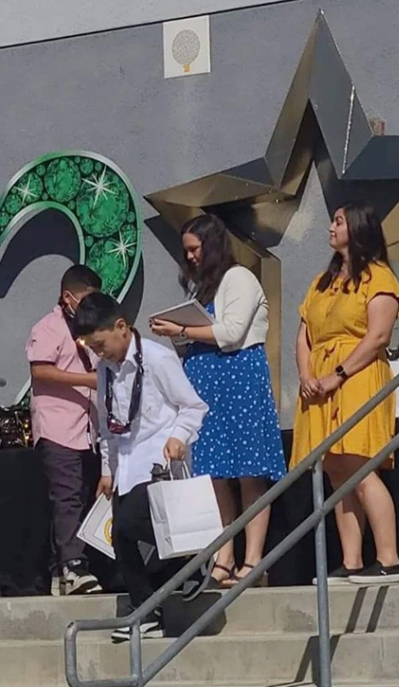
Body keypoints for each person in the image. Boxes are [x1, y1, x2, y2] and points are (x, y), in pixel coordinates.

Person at [149, 214, 285, 587]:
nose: (190, 257)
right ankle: (224, 555)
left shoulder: (239, 278)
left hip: (239, 378)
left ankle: (253, 559)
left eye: (195, 249)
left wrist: (182, 329)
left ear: (211, 246)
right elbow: (198, 336)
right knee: (217, 475)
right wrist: (176, 334)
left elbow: (231, 331)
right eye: (186, 251)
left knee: (248, 471)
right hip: (208, 383)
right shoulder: (200, 291)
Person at [73, 292, 207, 641]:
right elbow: (107, 424)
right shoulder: (105, 370)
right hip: (126, 465)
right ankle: (147, 610)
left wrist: (178, 436)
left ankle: (192, 558)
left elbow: (193, 406)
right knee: (119, 536)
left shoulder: (158, 360)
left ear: (121, 327)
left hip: (156, 461)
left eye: (100, 343)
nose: (98, 352)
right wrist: (107, 469)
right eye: (91, 347)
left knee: (132, 524)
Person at [290, 202, 399, 586]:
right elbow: (305, 333)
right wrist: (307, 374)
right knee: (337, 471)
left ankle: (389, 558)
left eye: (338, 221)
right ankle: (351, 560)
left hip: (356, 376)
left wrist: (339, 374)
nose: (330, 227)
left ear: (357, 227)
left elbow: (378, 336)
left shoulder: (379, 277)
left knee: (360, 464)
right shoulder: (322, 282)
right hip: (319, 383)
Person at [27, 265, 103, 596]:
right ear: (67, 297)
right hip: (59, 426)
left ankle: (66, 566)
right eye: (85, 300)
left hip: (89, 428)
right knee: (67, 496)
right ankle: (74, 566)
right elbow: (40, 371)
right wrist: (87, 380)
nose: (89, 306)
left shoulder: (91, 329)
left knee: (86, 496)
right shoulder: (48, 328)